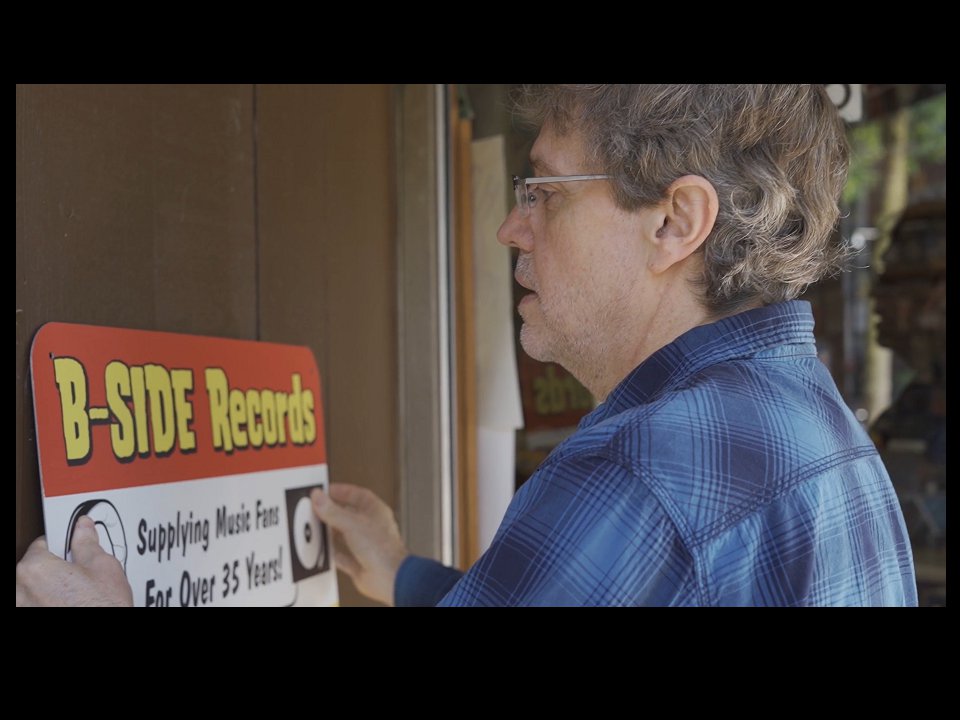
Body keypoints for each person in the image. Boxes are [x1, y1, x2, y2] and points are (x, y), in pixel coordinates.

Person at [17, 84, 918, 606]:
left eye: (546, 193)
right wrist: (405, 574)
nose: (508, 228)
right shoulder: (820, 428)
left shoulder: (643, 474)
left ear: (676, 221)